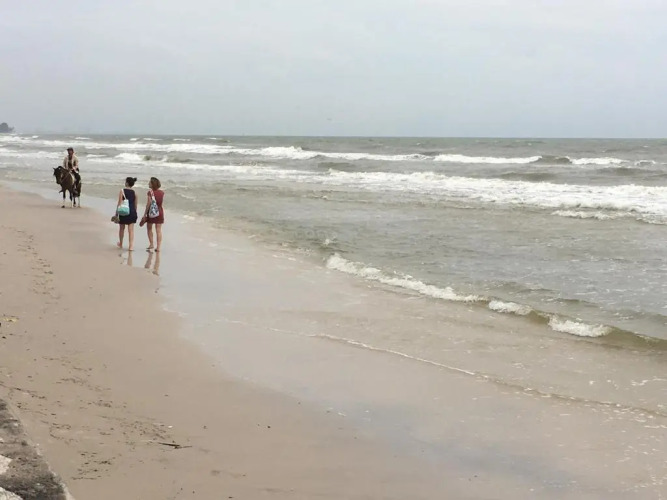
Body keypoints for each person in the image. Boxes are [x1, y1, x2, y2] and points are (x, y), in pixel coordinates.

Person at [141, 177, 164, 252]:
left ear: (152, 184)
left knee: (149, 228)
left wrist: (145, 214)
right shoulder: (162, 193)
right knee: (158, 230)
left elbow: (148, 204)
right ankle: (158, 247)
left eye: (149, 182)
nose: (148, 183)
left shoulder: (150, 192)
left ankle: (151, 244)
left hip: (151, 212)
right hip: (159, 212)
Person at [116, 177, 138, 251]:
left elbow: (119, 203)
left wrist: (116, 213)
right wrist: (135, 213)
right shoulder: (135, 192)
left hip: (123, 211)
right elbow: (135, 205)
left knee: (122, 228)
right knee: (131, 230)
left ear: (127, 183)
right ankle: (131, 246)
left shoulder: (122, 191)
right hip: (132, 212)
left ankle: (121, 243)